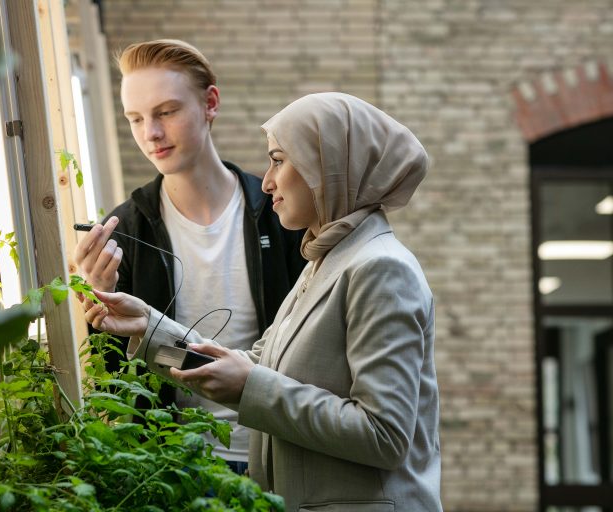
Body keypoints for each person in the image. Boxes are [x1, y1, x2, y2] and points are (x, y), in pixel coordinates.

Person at [81, 92, 442, 511]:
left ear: (326, 167)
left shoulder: (379, 268)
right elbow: (259, 361)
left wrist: (252, 388)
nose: (267, 181)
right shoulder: (326, 259)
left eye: (278, 160)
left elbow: (384, 435)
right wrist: (148, 327)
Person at [73, 39, 306, 474]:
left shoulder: (280, 213)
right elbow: (114, 383)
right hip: (175, 470)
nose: (151, 133)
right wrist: (97, 302)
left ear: (210, 103)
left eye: (166, 112)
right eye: (136, 118)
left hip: (281, 458)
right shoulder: (124, 232)